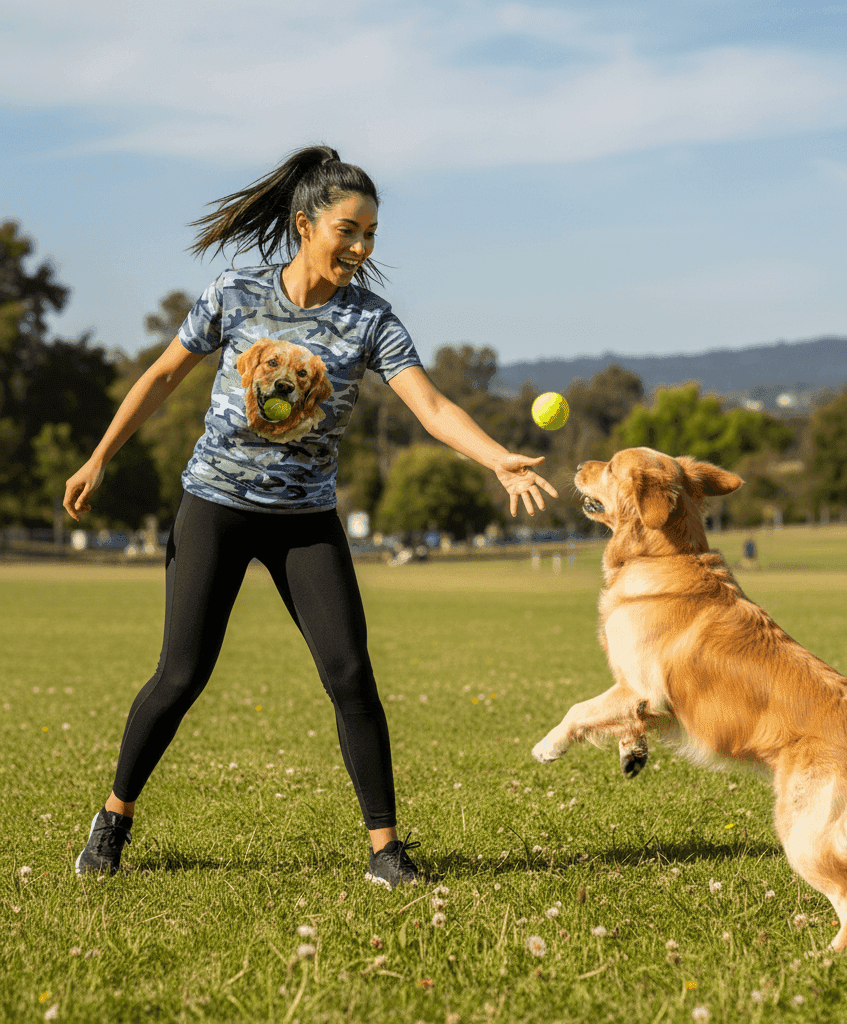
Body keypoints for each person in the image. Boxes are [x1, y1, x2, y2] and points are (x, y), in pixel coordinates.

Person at [63, 145, 558, 887]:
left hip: (304, 520)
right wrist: (100, 454)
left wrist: (494, 458)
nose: (360, 248)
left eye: (371, 236)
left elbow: (430, 405)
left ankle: (385, 853)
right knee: (180, 675)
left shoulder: (369, 321)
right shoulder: (236, 292)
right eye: (348, 231)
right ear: (305, 225)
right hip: (215, 506)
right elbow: (164, 374)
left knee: (351, 675)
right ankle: (113, 819)